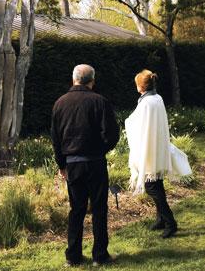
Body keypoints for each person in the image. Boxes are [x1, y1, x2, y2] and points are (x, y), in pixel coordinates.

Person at [51, 64, 120, 267]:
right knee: (99, 209)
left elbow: (56, 138)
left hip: (72, 164)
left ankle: (73, 256)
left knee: (76, 210)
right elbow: (112, 134)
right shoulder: (100, 101)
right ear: (92, 81)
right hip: (95, 162)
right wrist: (101, 149)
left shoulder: (60, 103)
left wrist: (61, 163)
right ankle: (100, 255)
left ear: (73, 79)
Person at [125, 69, 178, 238]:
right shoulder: (157, 98)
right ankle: (161, 219)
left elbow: (137, 123)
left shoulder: (146, 103)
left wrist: (127, 121)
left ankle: (170, 222)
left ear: (140, 86)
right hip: (156, 146)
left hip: (149, 149)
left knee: (152, 187)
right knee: (158, 184)